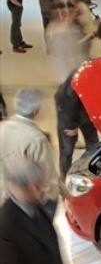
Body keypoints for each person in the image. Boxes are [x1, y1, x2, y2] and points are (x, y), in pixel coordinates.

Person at [0, 89, 59, 217]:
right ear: (36, 111)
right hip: (29, 203)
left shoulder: (2, 128)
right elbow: (49, 178)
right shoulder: (36, 139)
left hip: (5, 198)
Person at [54, 73, 100, 179]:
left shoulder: (97, 81)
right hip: (66, 111)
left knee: (93, 144)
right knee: (67, 149)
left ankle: (91, 171)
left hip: (85, 110)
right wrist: (71, 126)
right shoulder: (74, 84)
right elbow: (68, 104)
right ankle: (64, 177)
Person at [46, 2, 89, 83]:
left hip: (78, 62)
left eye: (62, 12)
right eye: (57, 13)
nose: (61, 15)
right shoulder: (53, 28)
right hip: (65, 68)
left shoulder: (76, 25)